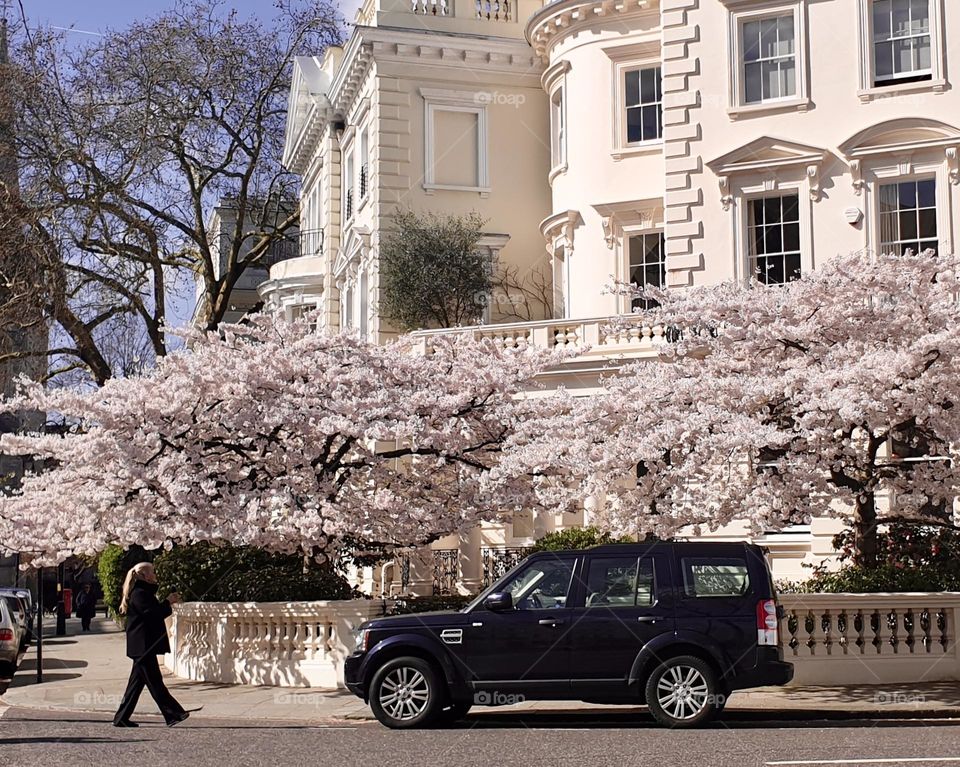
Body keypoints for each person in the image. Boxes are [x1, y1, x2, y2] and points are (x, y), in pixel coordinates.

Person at [112, 562, 189, 728]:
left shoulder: (142, 593)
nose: (155, 575)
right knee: (155, 682)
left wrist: (167, 603)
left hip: (142, 646)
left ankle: (121, 718)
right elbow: (154, 614)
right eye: (152, 572)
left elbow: (153, 612)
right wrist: (167, 602)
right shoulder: (140, 594)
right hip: (143, 647)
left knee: (135, 685)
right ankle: (173, 713)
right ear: (144, 576)